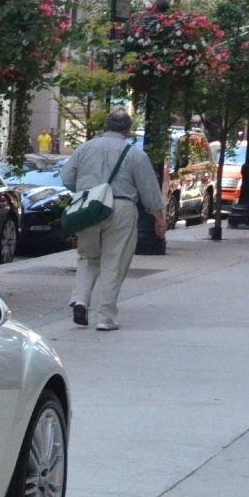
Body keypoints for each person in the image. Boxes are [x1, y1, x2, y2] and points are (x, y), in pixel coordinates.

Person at [60, 107, 165, 332]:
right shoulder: (135, 154)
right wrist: (159, 217)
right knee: (113, 262)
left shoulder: (84, 148)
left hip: (89, 207)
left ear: (106, 126)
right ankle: (104, 318)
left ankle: (80, 300)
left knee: (87, 257)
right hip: (121, 207)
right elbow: (149, 191)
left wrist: (86, 188)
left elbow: (67, 178)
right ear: (127, 130)